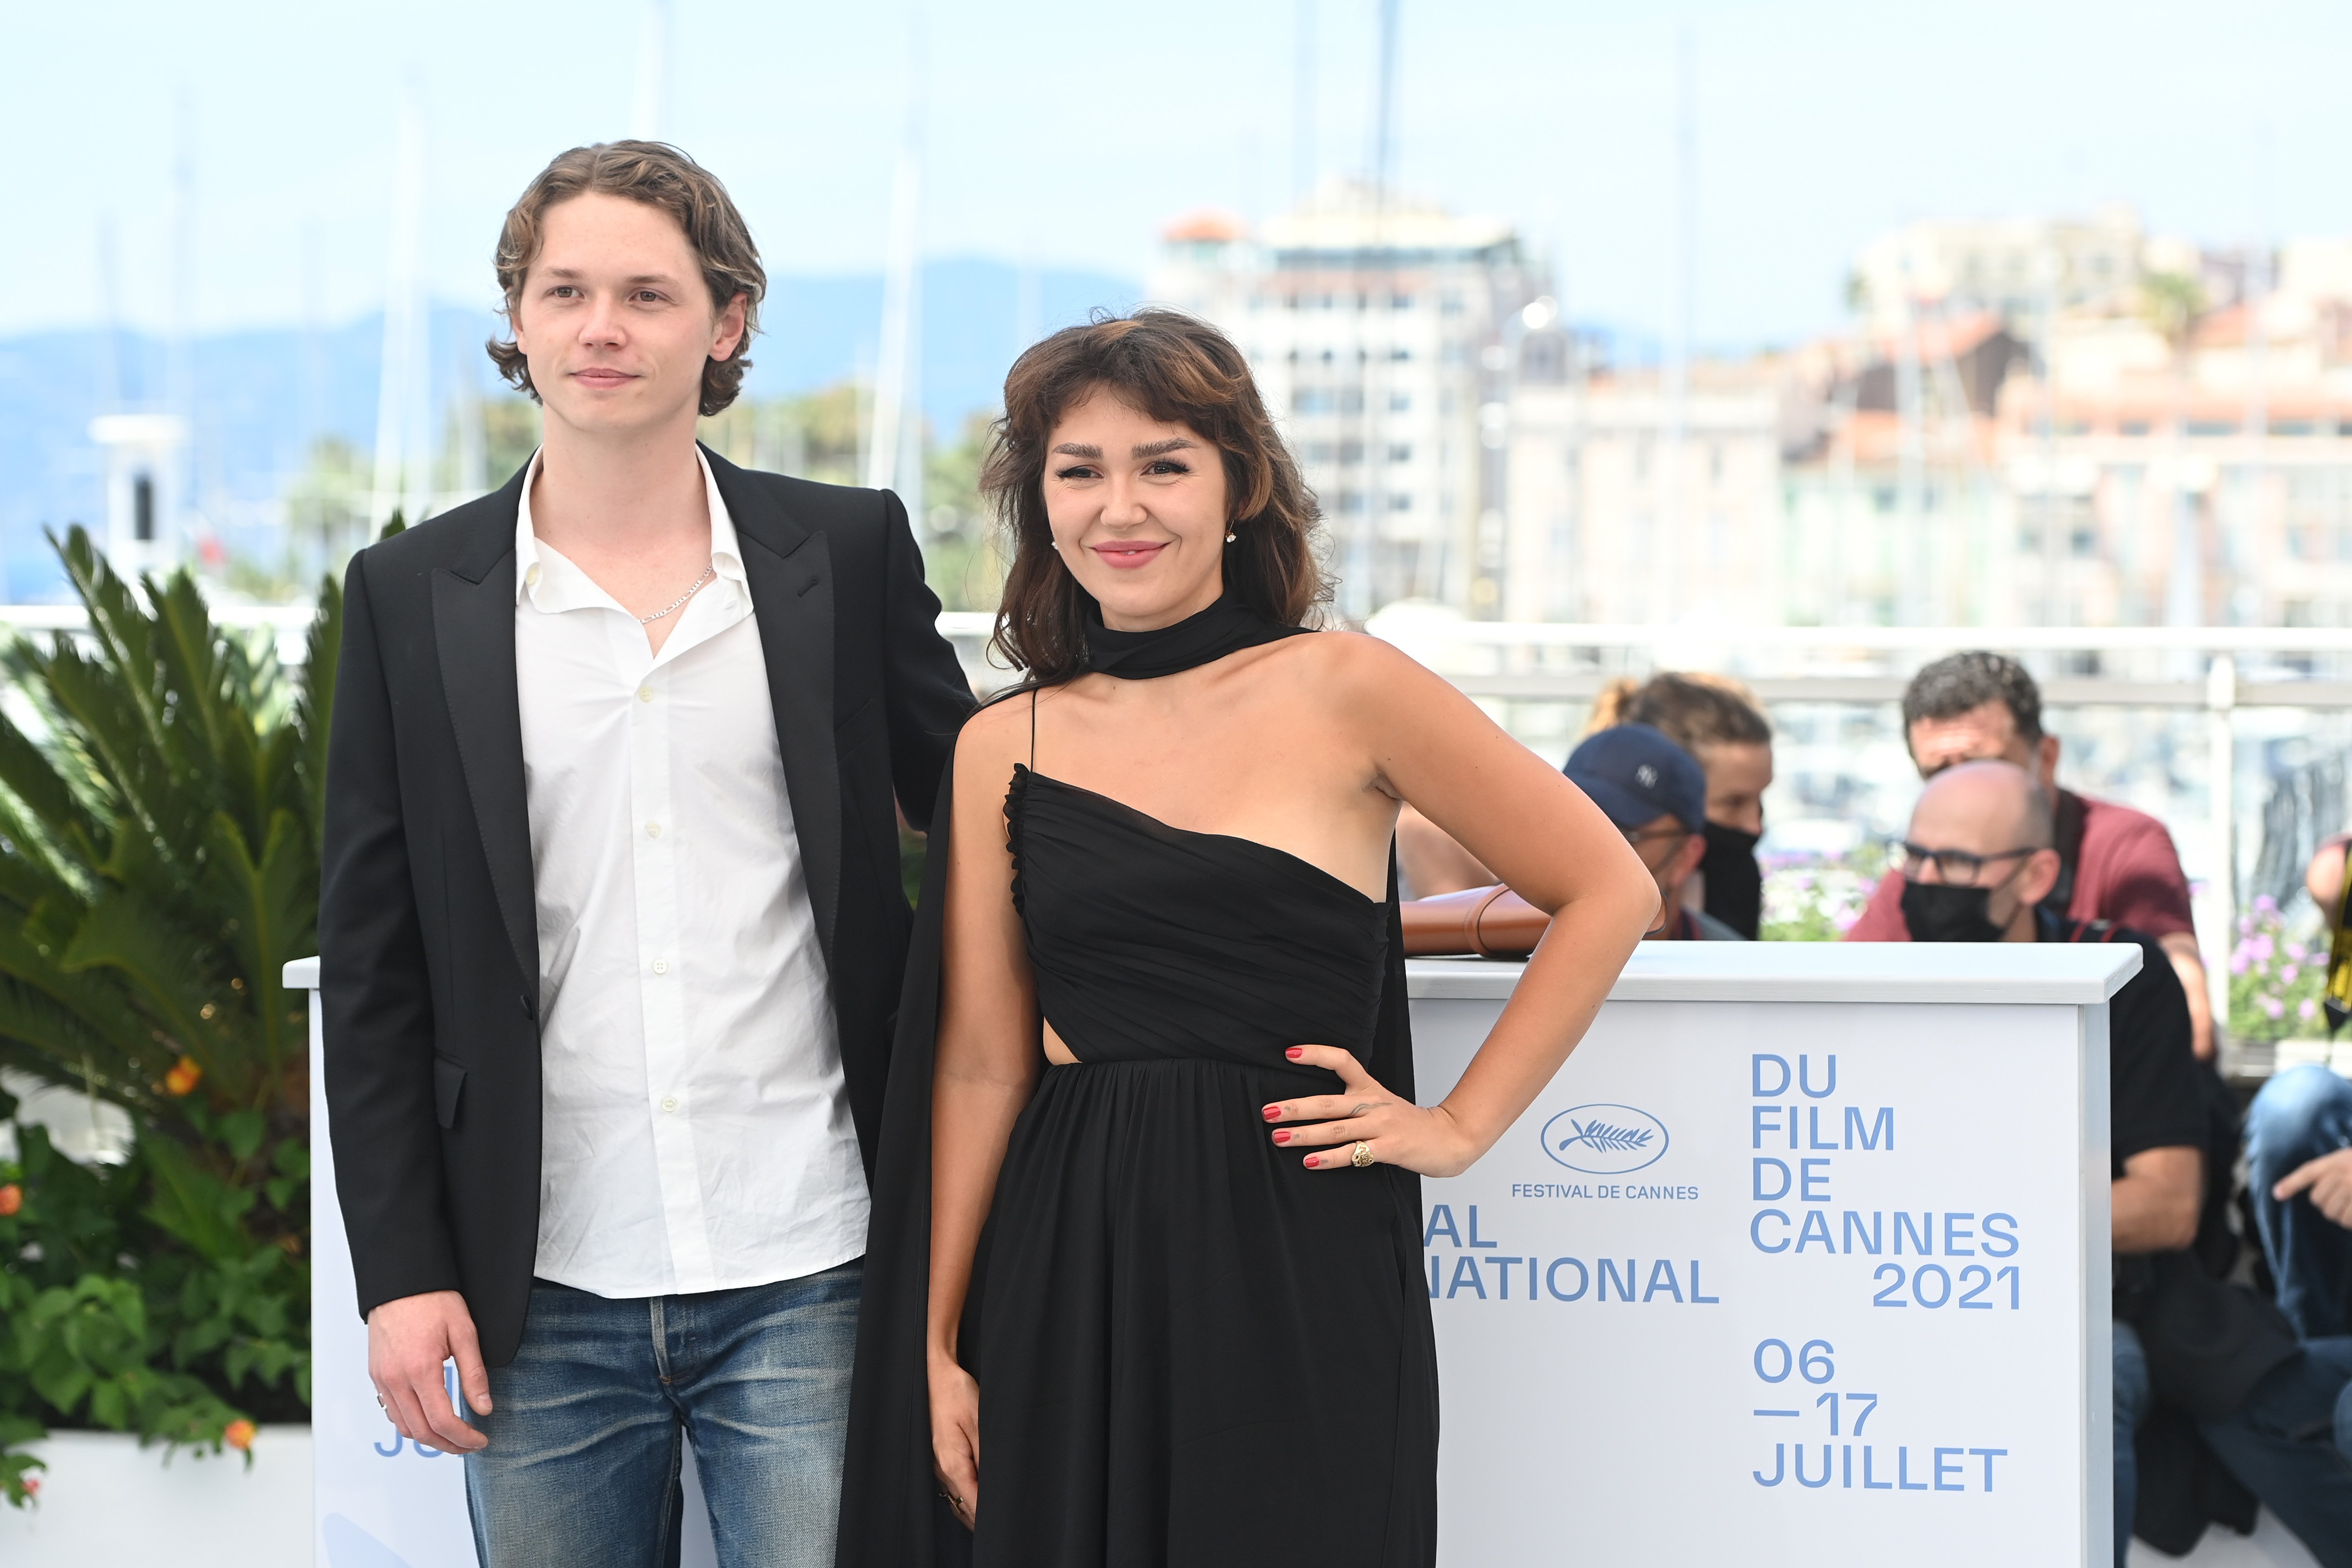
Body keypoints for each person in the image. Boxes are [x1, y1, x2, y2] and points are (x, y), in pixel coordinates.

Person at [836, 311, 1659, 1565]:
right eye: (1081, 470)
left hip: (1298, 1244)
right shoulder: (1003, 742)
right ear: (1041, 502)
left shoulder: (1350, 688)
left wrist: (1456, 1125)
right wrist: (937, 1341)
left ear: (1240, 485)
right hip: (1065, 1254)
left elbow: (1610, 887)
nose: (1123, 505)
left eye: (1164, 463)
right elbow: (982, 1063)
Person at [319, 142, 973, 1568]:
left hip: (815, 1250)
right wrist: (403, 1272)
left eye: (646, 294)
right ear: (519, 318)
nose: (600, 327)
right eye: (562, 291)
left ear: (724, 323)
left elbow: (988, 816)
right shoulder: (408, 594)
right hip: (532, 1280)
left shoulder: (844, 555)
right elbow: (372, 964)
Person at [1894, 761, 2352, 1565]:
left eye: (1958, 864)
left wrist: (1968, 1218)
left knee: (2090, 1375)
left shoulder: (2113, 979)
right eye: (1915, 857)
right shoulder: (1877, 978)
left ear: (2038, 873)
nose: (1929, 882)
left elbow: (2165, 1207)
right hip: (1907, 1293)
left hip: (2091, 1303)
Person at [1844, 651, 2215, 1060]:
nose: (1960, 789)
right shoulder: (1925, 875)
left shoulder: (2124, 845)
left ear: (2048, 759)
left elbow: (2193, 1024)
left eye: (1980, 765)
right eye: (1937, 773)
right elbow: (1839, 1017)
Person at [1563, 723, 1744, 941]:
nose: (1584, 852)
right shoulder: (1516, 947)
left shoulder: (1726, 967)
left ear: (1686, 857)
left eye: (1621, 834)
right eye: (1569, 828)